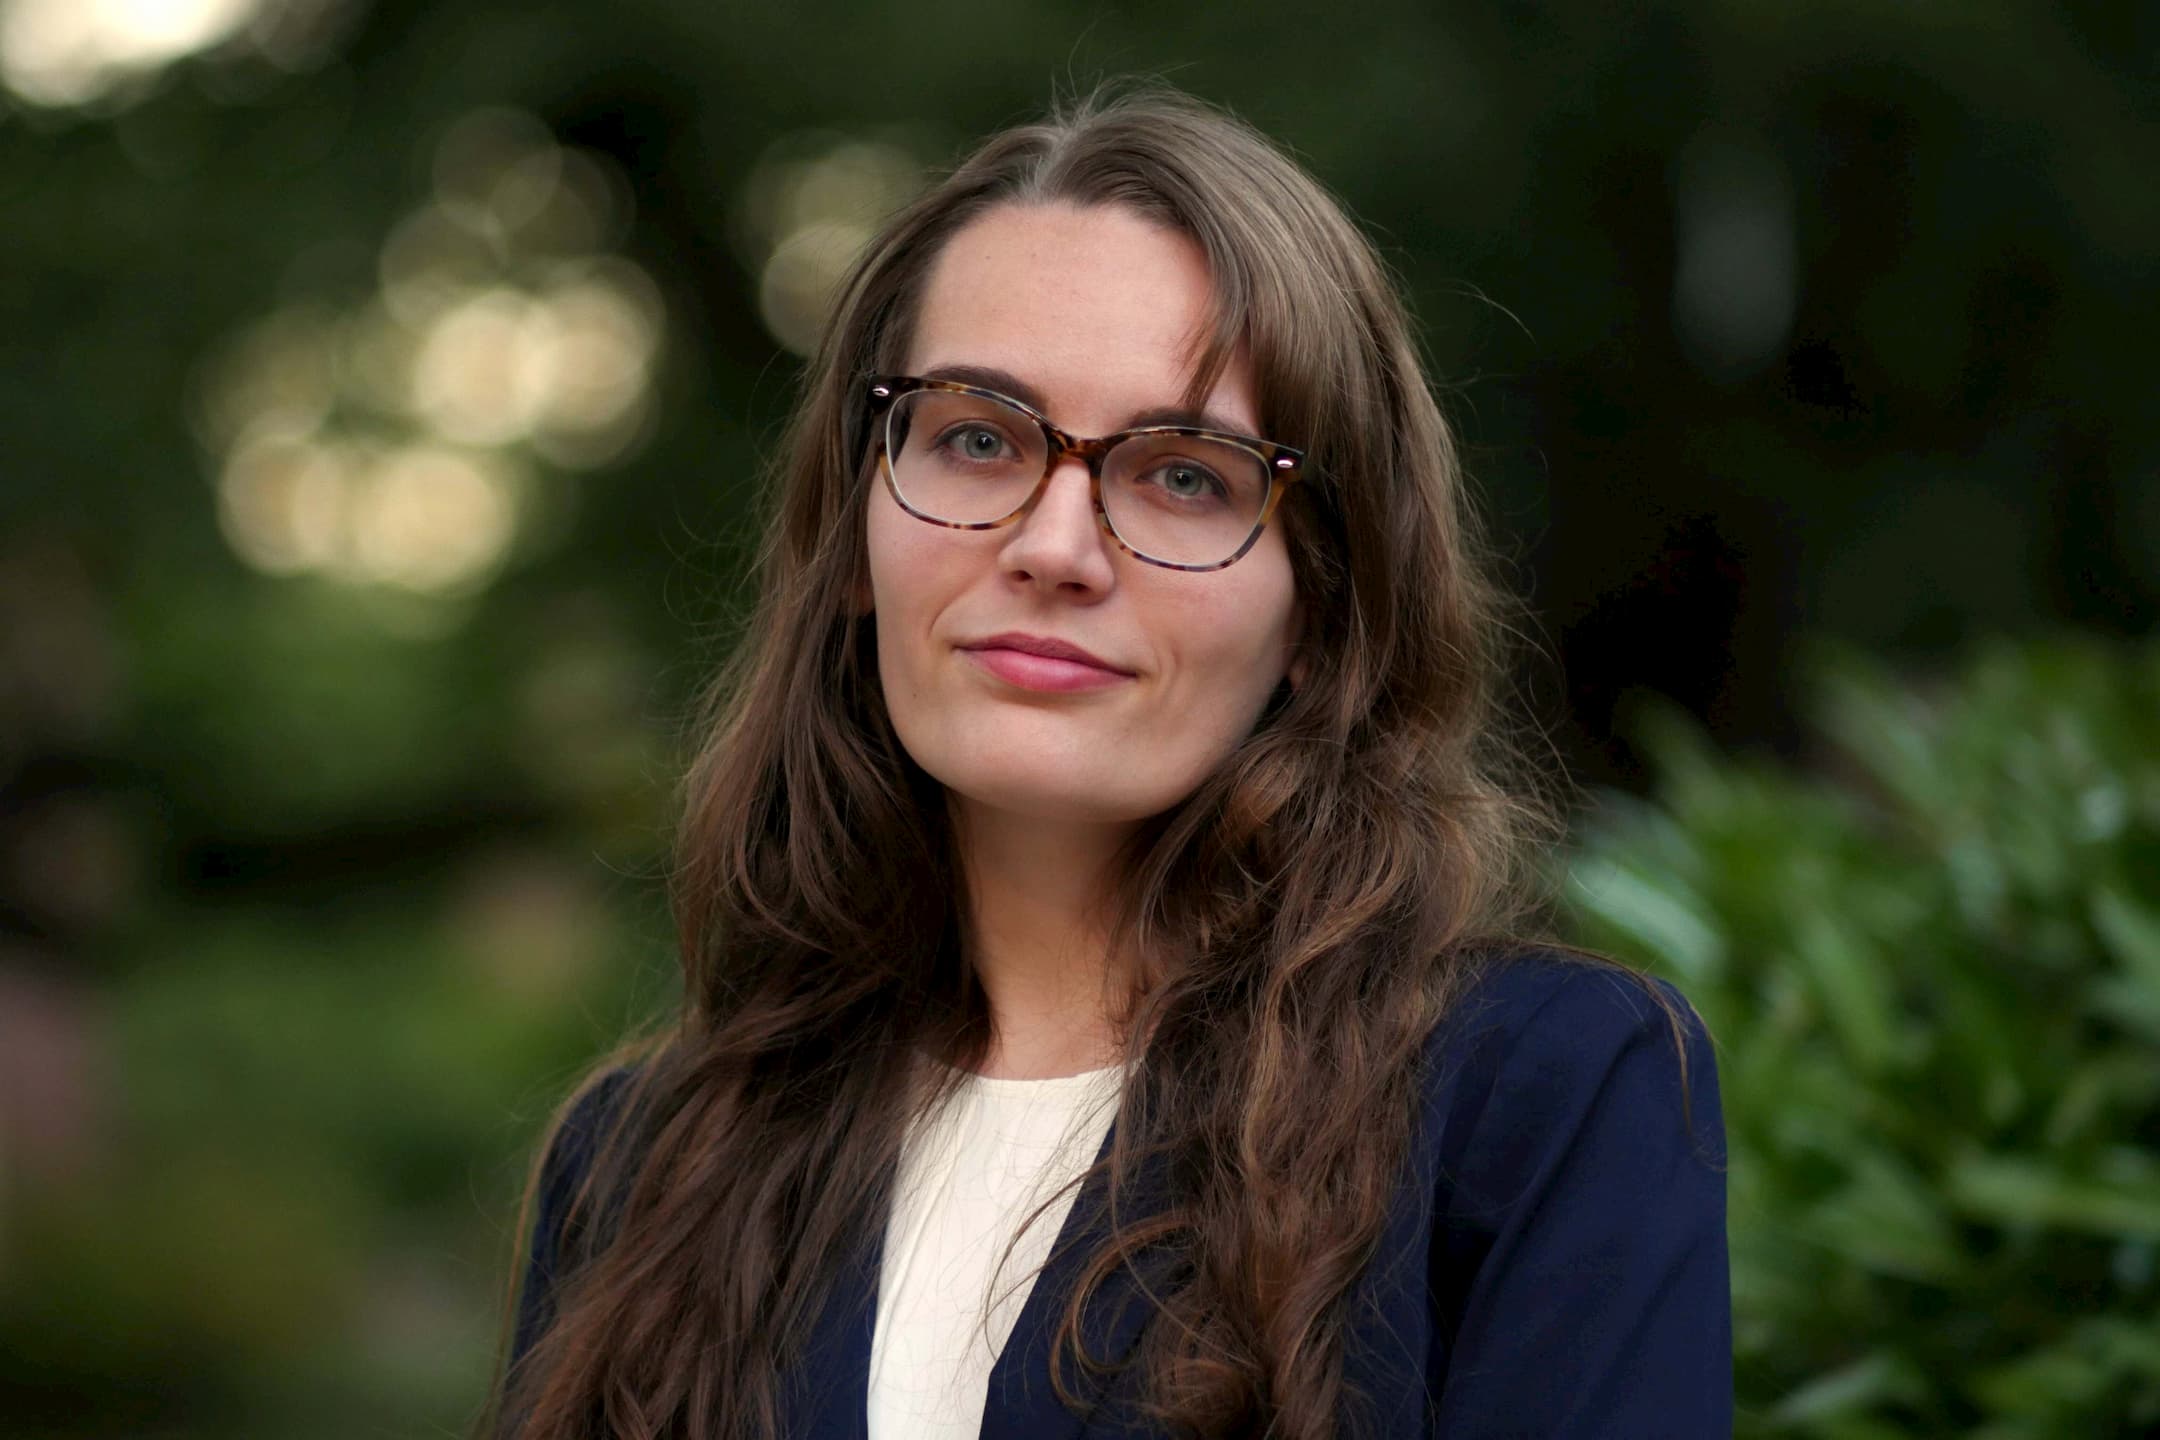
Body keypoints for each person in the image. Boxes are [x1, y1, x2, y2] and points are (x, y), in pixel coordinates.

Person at [486, 84, 1730, 1440]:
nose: (1055, 546)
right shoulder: (644, 1168)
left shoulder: (1538, 1101)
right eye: (975, 437)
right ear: (854, 535)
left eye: (1185, 473)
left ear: (1323, 604)